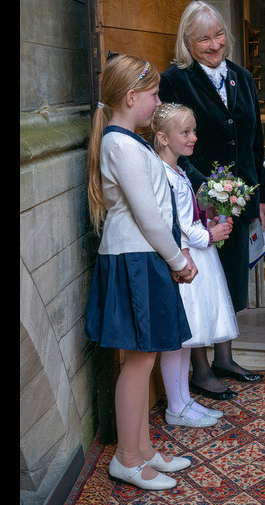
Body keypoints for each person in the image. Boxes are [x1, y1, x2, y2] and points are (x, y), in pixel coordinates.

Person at [84, 54, 196, 491]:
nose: (158, 102)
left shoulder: (129, 141)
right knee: (138, 361)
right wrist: (178, 261)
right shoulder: (121, 145)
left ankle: (144, 449)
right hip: (136, 257)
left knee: (144, 357)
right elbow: (149, 217)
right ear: (131, 97)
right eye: (153, 96)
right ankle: (127, 458)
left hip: (142, 256)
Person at [158, 0, 265, 401]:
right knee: (203, 280)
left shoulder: (242, 77)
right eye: (203, 37)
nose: (213, 44)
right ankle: (201, 369)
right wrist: (207, 192)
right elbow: (170, 144)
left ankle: (226, 357)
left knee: (232, 277)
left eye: (219, 34)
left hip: (240, 200)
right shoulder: (175, 79)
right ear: (187, 42)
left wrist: (259, 196)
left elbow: (255, 142)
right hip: (198, 199)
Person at [151, 102, 236, 428]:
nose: (193, 138)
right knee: (178, 339)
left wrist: (210, 212)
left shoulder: (179, 170)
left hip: (197, 258)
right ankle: (176, 405)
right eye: (185, 132)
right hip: (185, 259)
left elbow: (188, 214)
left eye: (193, 131)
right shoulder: (164, 174)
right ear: (162, 137)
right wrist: (208, 235)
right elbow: (175, 224)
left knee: (189, 335)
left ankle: (183, 400)